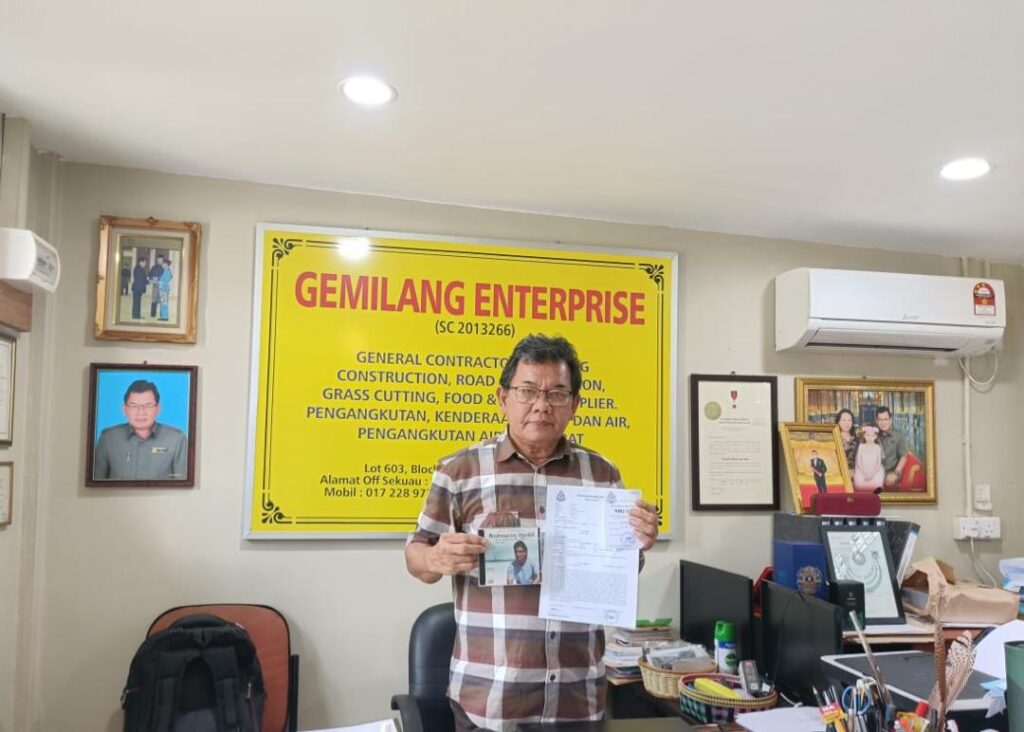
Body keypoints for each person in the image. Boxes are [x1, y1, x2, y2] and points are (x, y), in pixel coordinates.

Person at [405, 334, 659, 731]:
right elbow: (416, 555)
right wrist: (436, 557)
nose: (541, 405)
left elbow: (620, 568)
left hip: (577, 698)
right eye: (527, 391)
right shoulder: (460, 471)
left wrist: (638, 543)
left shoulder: (601, 474)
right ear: (503, 398)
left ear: (574, 405)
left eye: (557, 394)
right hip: (491, 700)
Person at [93, 380, 188, 481]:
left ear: (158, 409)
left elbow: (182, 484)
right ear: (124, 409)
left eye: (148, 405)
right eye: (134, 405)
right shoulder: (108, 438)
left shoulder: (176, 439)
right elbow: (96, 483)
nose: (141, 412)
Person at [876, 406, 909, 489]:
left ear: (890, 420)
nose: (883, 422)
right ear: (876, 421)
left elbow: (903, 457)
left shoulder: (898, 435)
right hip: (876, 472)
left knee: (881, 485)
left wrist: (895, 473)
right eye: (880, 420)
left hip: (892, 472)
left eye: (885, 419)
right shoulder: (873, 435)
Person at [853, 425, 885, 493]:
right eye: (867, 435)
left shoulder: (877, 447)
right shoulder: (861, 446)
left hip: (874, 470)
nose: (870, 438)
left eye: (872, 435)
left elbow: (878, 462)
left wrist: (872, 474)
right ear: (864, 436)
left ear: (876, 437)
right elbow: (859, 461)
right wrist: (864, 472)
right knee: (861, 485)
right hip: (862, 470)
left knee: (876, 483)